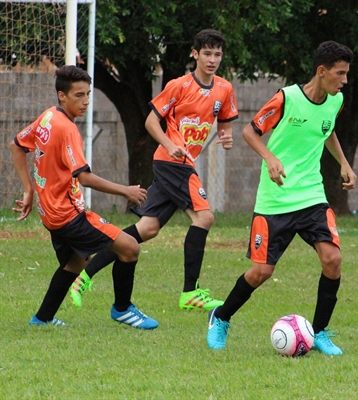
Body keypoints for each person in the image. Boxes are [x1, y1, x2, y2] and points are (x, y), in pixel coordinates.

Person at [69, 29, 238, 311]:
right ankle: (190, 292)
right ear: (195, 54)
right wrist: (170, 144)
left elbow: (225, 123)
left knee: (146, 229)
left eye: (217, 54)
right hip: (173, 163)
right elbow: (150, 122)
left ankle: (85, 274)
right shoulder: (179, 86)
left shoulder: (224, 89)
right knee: (205, 218)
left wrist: (226, 136)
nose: (212, 59)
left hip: (182, 163)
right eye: (206, 53)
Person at [206, 41, 357, 356]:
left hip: (312, 195)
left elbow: (326, 130)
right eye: (340, 74)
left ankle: (320, 332)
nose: (344, 81)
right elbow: (250, 132)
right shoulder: (286, 98)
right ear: (321, 71)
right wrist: (270, 158)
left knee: (333, 260)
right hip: (275, 201)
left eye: (346, 74)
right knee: (261, 272)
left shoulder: (335, 100)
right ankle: (220, 317)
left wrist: (343, 162)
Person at [10, 65, 158, 329]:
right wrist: (126, 190)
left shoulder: (48, 117)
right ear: (61, 96)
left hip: (50, 212)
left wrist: (29, 189)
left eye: (88, 94)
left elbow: (16, 145)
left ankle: (42, 318)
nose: (86, 101)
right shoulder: (67, 129)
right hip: (68, 214)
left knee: (75, 262)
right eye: (79, 95)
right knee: (130, 248)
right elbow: (85, 177)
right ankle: (122, 309)